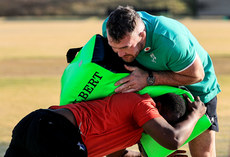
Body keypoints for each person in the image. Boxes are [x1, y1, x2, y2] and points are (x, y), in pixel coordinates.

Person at [102, 6, 221, 157]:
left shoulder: (170, 41)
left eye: (125, 47)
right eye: (114, 47)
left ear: (142, 35)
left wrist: (149, 78)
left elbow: (197, 75)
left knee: (203, 154)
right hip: (157, 89)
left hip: (197, 90)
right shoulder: (109, 28)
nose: (120, 53)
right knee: (156, 152)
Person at [5, 92, 206, 157]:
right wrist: (196, 115)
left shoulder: (134, 132)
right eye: (164, 121)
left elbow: (119, 155)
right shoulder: (141, 103)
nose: (158, 129)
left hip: (37, 125)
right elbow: (173, 139)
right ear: (158, 106)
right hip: (56, 128)